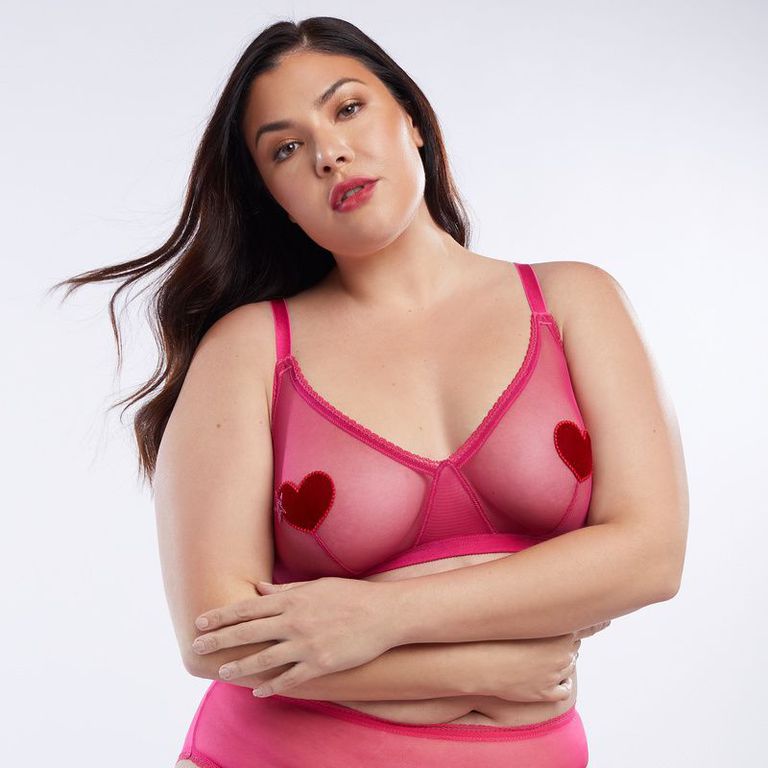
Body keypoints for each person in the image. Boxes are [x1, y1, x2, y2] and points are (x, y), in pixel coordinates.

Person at [53, 16, 688, 768]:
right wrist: (481, 668)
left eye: (348, 108)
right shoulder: (251, 350)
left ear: (412, 119)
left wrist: (382, 615)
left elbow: (650, 554)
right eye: (286, 149)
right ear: (273, 196)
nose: (329, 153)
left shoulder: (574, 302)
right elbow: (217, 638)